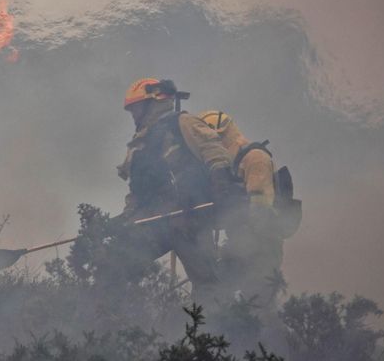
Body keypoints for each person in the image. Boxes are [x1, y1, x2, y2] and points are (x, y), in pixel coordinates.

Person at [116, 78, 241, 302]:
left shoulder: (183, 123)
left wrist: (221, 183)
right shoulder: (139, 145)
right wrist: (126, 220)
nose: (133, 115)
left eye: (136, 108)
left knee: (209, 286)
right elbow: (136, 190)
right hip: (154, 221)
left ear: (153, 101)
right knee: (118, 267)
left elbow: (213, 150)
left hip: (189, 219)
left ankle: (220, 330)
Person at [197, 110, 284, 306]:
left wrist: (243, 246)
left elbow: (260, 207)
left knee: (258, 301)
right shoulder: (230, 163)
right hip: (239, 244)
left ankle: (268, 335)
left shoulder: (255, 158)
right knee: (218, 295)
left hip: (261, 245)